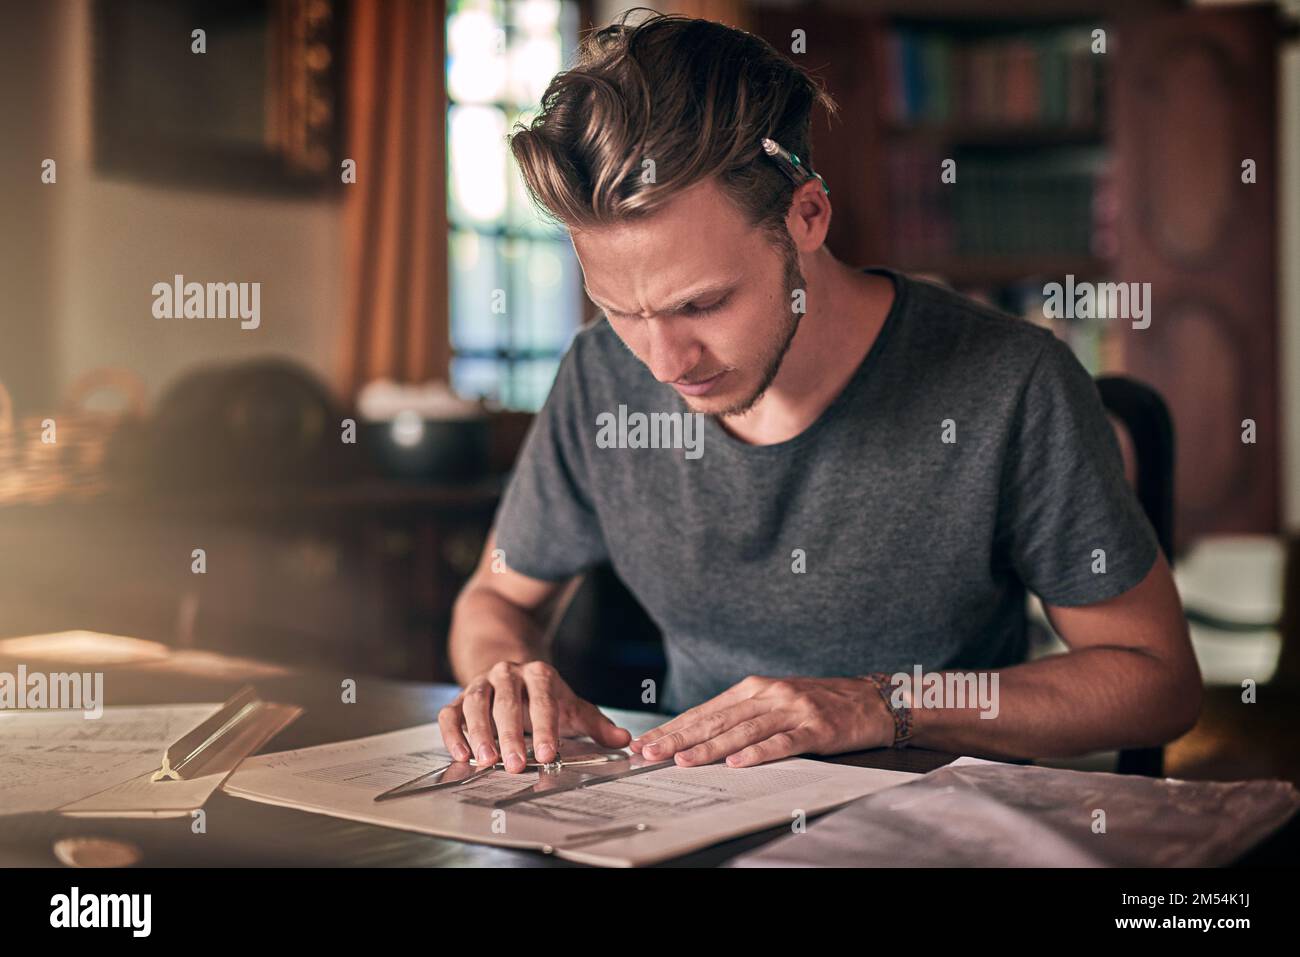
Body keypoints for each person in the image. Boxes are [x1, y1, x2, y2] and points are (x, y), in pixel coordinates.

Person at [441, 11, 1200, 774]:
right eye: (622, 311)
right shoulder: (599, 379)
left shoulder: (1010, 383)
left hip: (935, 828)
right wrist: (505, 676)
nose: (664, 360)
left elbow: (1156, 681)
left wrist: (881, 705)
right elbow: (495, 601)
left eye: (701, 304)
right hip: (688, 817)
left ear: (806, 213)